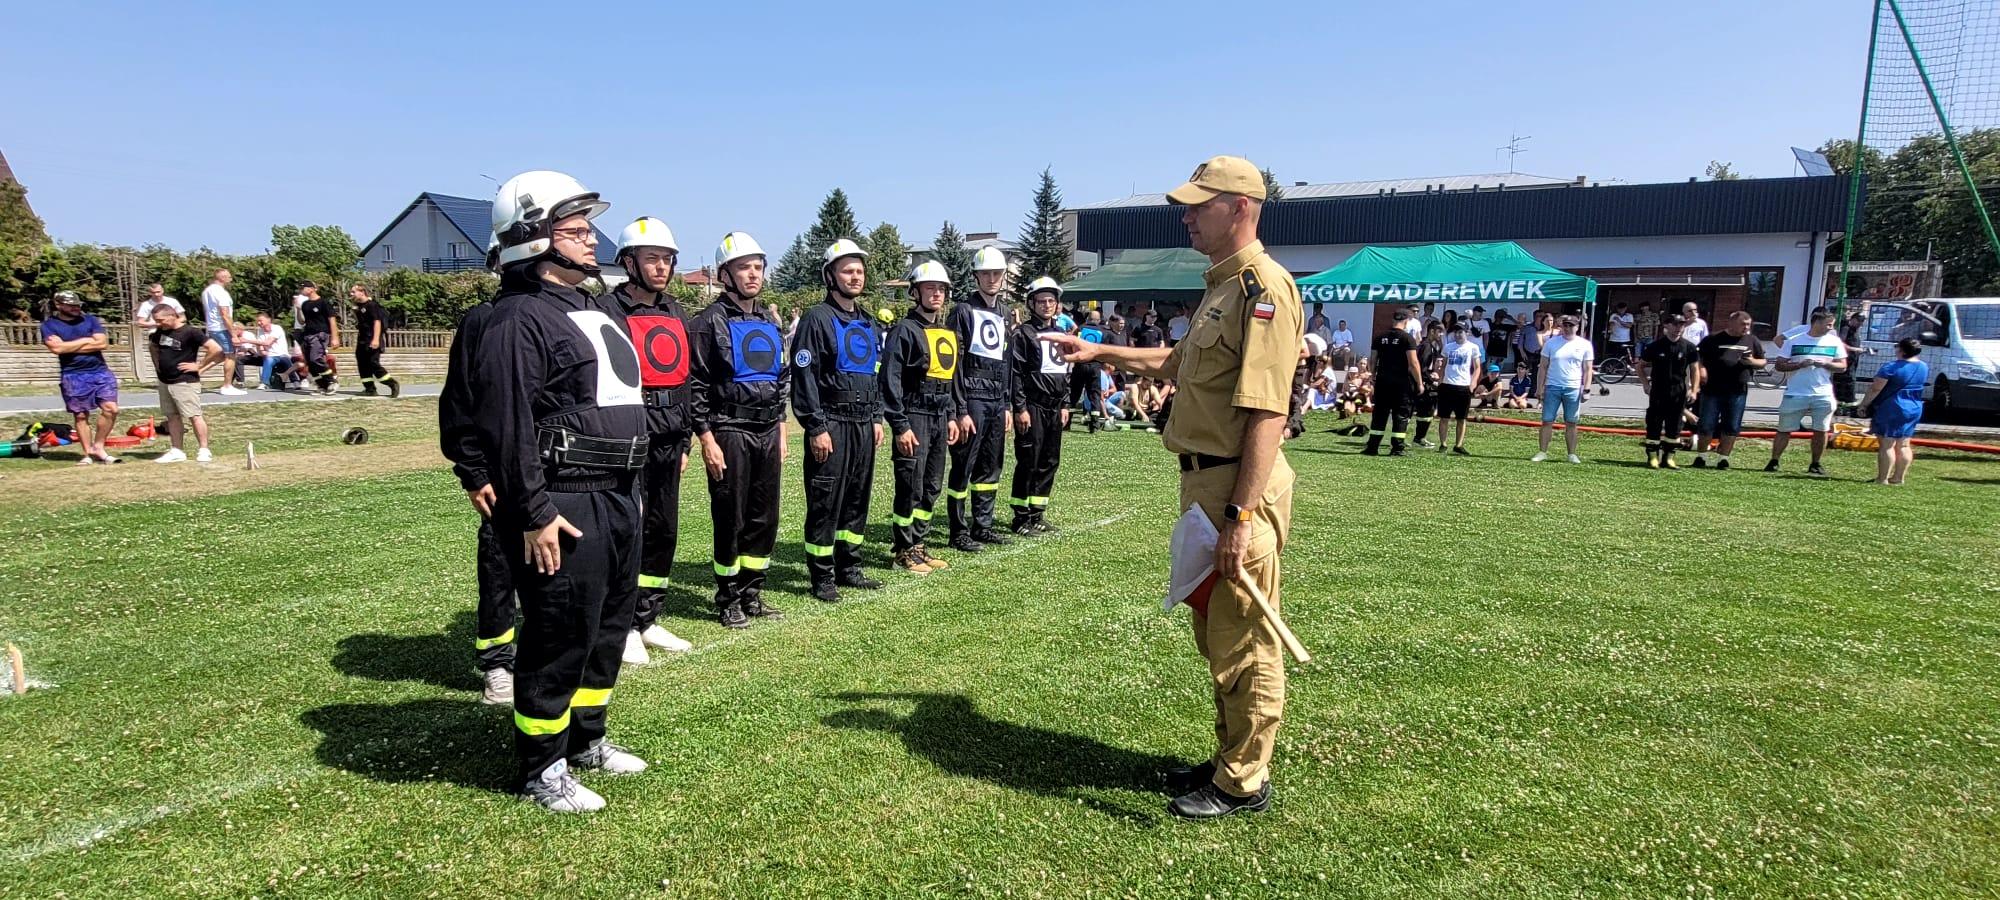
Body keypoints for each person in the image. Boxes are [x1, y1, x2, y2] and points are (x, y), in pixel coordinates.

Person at [1039, 155, 1299, 820]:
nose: (1187, 216)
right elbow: (1176, 363)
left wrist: (1241, 515)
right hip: (1206, 486)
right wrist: (1100, 352)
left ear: (1240, 208)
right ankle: (1229, 756)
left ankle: (1243, 781)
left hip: (1236, 487)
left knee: (1245, 641)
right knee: (1217, 632)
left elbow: (1268, 412)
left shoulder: (1263, 289)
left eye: (1199, 205)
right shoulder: (1221, 287)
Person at [472, 171, 649, 814]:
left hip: (618, 494)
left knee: (608, 627)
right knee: (560, 634)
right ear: (532, 236)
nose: (590, 239)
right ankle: (542, 767)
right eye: (574, 231)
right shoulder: (516, 318)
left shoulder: (590, 307)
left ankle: (586, 740)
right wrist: (534, 512)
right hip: (565, 500)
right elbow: (507, 426)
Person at [604, 216, 697, 663]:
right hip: (629, 436)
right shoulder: (607, 310)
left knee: (662, 528)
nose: (661, 267)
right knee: (629, 529)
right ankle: (620, 624)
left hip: (670, 437)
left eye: (667, 259)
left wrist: (686, 439)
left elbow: (686, 378)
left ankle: (648, 617)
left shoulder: (677, 312)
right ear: (629, 263)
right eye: (652, 258)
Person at [687, 233, 790, 629]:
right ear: (725, 274)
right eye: (744, 267)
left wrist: (781, 428)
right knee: (731, 515)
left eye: (758, 267)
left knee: (764, 516)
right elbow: (696, 384)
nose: (753, 274)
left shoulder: (769, 321)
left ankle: (752, 592)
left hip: (766, 429)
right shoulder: (708, 322)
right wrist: (706, 438)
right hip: (729, 429)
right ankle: (728, 597)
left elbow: (781, 378)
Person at [439, 235, 520, 706]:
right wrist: (474, 470)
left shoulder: (565, 314)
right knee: (500, 569)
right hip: (502, 472)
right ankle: (497, 664)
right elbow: (459, 401)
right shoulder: (483, 321)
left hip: (561, 470)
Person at [790, 238, 887, 603]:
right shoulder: (816, 319)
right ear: (830, 276)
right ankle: (822, 575)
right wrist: (815, 427)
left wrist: (876, 416)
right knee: (825, 500)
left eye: (859, 271)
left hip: (863, 423)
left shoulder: (867, 321)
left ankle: (850, 566)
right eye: (847, 271)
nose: (855, 277)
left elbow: (875, 373)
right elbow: (804, 377)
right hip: (831, 422)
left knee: (857, 497)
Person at [881, 261, 962, 575]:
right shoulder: (904, 330)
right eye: (930, 288)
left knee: (931, 486)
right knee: (910, 486)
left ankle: (918, 544)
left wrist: (952, 415)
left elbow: (949, 379)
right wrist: (900, 425)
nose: (936, 294)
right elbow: (890, 380)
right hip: (914, 415)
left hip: (940, 416)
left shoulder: (946, 332)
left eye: (941, 289)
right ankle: (903, 550)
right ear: (915, 292)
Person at [945, 246, 1017, 553]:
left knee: (991, 465)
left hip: (996, 400)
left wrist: (1008, 404)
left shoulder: (1004, 313)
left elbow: (1007, 362)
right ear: (976, 276)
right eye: (986, 273)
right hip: (971, 398)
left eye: (996, 273)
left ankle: (983, 525)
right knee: (964, 464)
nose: (991, 279)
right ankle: (958, 530)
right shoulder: (962, 311)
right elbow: (954, 363)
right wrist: (960, 409)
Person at [1007, 277, 1071, 534]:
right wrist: (1020, 408)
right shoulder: (1023, 334)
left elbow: (1066, 372)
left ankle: (1037, 513)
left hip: (1055, 408)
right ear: (1031, 304)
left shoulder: (1062, 334)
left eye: (1051, 301)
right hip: (1032, 406)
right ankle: (1020, 517)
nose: (1046, 305)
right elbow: (1016, 373)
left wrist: (1065, 404)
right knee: (1029, 460)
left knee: (1049, 460)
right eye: (1041, 301)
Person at [41, 291, 122, 465]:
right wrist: (87, 340)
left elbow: (102, 343)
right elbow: (57, 349)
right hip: (73, 375)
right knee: (80, 415)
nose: (76, 308)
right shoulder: (50, 325)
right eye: (71, 305)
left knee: (111, 409)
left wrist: (68, 346)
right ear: (59, 305)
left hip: (100, 371)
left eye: (77, 305)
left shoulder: (90, 320)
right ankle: (87, 454)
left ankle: (98, 447)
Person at [1765, 308, 1847, 477]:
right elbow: (1779, 365)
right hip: (1796, 392)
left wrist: (1826, 364)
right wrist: (1799, 365)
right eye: (1828, 325)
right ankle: (1774, 461)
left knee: (1821, 430)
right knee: (1784, 429)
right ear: (1817, 323)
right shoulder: (1794, 341)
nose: (1831, 328)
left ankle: (1815, 464)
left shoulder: (1834, 341)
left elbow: (1842, 366)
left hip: (1823, 393)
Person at [146, 303, 221, 463]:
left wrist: (199, 365)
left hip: (185, 381)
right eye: (156, 320)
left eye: (160, 320)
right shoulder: (160, 332)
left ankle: (204, 450)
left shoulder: (191, 332)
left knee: (194, 415)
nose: (158, 324)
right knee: (172, 416)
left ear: (172, 315)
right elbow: (154, 347)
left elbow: (215, 349)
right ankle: (177, 450)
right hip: (165, 381)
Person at [1690, 311, 1765, 470]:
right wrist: (1702, 370)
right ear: (1731, 323)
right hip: (1712, 390)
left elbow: (1762, 362)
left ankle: (1723, 459)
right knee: (1706, 424)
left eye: (1748, 324)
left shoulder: (1752, 340)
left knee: (1731, 425)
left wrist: (1752, 361)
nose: (1746, 327)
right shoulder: (1712, 339)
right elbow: (1697, 358)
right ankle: (1701, 457)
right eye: (1743, 324)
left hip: (1737, 391)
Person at [1860, 338, 1926, 485]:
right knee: (1904, 444)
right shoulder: (1923, 366)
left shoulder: (1891, 367)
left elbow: (1875, 388)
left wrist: (1863, 405)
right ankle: (1898, 478)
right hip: (1914, 407)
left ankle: (1882, 478)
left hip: (1892, 407)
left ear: (1901, 350)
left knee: (1887, 444)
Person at [1638, 313, 1699, 469]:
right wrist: (1645, 384)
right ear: (1666, 325)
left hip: (1678, 390)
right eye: (1675, 324)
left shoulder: (1689, 347)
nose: (1679, 328)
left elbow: (1695, 369)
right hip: (1658, 390)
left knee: (1675, 425)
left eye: (1682, 325)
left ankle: (1669, 457)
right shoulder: (1655, 346)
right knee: (1654, 423)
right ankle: (1653, 456)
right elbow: (1640, 366)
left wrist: (1694, 390)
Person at [1362, 309, 1423, 456]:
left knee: (1379, 414)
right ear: (1406, 321)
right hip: (1401, 383)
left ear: (1393, 320)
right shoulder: (1407, 338)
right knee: (1400, 414)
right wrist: (1419, 382)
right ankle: (1397, 447)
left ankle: (1372, 447)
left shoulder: (1380, 337)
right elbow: (1413, 363)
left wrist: (1373, 376)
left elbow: (1373, 360)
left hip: (1383, 381)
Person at [1533, 314, 1592, 463]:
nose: (1567, 328)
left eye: (1571, 325)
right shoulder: (1551, 343)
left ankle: (1572, 454)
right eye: (1565, 325)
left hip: (1573, 388)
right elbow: (1543, 367)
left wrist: (1586, 389)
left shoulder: (1585, 345)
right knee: (1547, 421)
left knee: (1571, 422)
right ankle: (1542, 452)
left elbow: (1588, 369)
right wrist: (1539, 388)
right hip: (1552, 386)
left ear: (1577, 327)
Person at [1437, 320, 1482, 454]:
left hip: (1463, 386)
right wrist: (1440, 380)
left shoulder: (1473, 347)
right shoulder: (1448, 347)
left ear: (1467, 333)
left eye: (1460, 332)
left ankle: (1458, 445)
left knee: (1461, 418)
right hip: (1447, 385)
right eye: (1456, 332)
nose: (1457, 334)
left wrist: (1473, 383)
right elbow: (1443, 365)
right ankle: (1443, 444)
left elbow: (1477, 367)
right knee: (1444, 417)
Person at [200, 269, 248, 396]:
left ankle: (196, 373)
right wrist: (233, 335)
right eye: (229, 277)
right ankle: (227, 385)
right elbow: (225, 314)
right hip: (221, 328)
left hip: (212, 327)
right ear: (222, 277)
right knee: (230, 355)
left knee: (220, 355)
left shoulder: (207, 291)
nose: (231, 279)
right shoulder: (221, 293)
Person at [350, 285, 401, 398]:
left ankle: (392, 383)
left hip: (372, 339)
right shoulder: (358, 306)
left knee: (373, 364)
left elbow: (377, 322)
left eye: (353, 292)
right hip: (362, 339)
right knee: (362, 364)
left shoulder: (372, 305)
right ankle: (370, 389)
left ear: (362, 292)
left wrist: (375, 339)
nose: (351, 294)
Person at [296, 282, 340, 394]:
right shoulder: (305, 304)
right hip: (307, 334)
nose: (301, 290)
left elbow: (332, 320)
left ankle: (331, 381)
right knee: (310, 362)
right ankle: (322, 385)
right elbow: (302, 321)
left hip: (320, 334)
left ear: (311, 289)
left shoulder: (323, 302)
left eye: (303, 288)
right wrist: (298, 309)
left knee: (315, 358)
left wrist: (335, 337)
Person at [1069, 310, 1108, 433]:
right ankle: (1094, 424)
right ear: (1099, 320)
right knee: (1094, 394)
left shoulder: (1080, 329)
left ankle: (1067, 422)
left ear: (1087, 318)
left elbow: (1073, 344)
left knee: (1074, 393)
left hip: (1080, 365)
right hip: (1095, 366)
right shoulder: (1103, 331)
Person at [238, 311, 295, 389]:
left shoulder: (277, 328)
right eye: (257, 321)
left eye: (260, 320)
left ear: (268, 320)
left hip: (280, 355)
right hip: (267, 355)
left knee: (272, 359)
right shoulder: (260, 331)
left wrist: (247, 340)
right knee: (239, 359)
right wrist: (261, 351)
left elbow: (267, 343)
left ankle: (293, 380)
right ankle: (239, 382)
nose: (259, 323)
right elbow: (260, 345)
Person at [1410, 321, 1445, 448]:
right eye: (1439, 331)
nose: (1441, 335)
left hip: (1422, 381)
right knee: (1425, 411)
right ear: (1432, 331)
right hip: (1423, 384)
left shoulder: (1429, 346)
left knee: (1424, 412)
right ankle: (1419, 438)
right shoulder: (1426, 347)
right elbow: (1422, 368)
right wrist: (1431, 380)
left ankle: (1419, 437)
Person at [1516, 310, 1551, 398]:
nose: (1541, 318)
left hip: (1540, 354)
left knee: (1537, 373)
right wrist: (1522, 352)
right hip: (1528, 353)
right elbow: (1521, 340)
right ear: (1534, 317)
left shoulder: (1545, 329)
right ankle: (1521, 391)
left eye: (1543, 316)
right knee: (1523, 372)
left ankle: (1534, 391)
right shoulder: (1527, 328)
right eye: (1539, 316)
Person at [1835, 310, 1866, 406]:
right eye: (1858, 321)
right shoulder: (1845, 329)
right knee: (1848, 380)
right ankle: (1848, 401)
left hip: (1853, 360)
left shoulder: (1855, 330)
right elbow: (1840, 343)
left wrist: (1860, 349)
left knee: (1850, 379)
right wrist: (1854, 349)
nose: (1860, 323)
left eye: (1862, 321)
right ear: (1853, 319)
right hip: (1845, 360)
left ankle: (1846, 401)